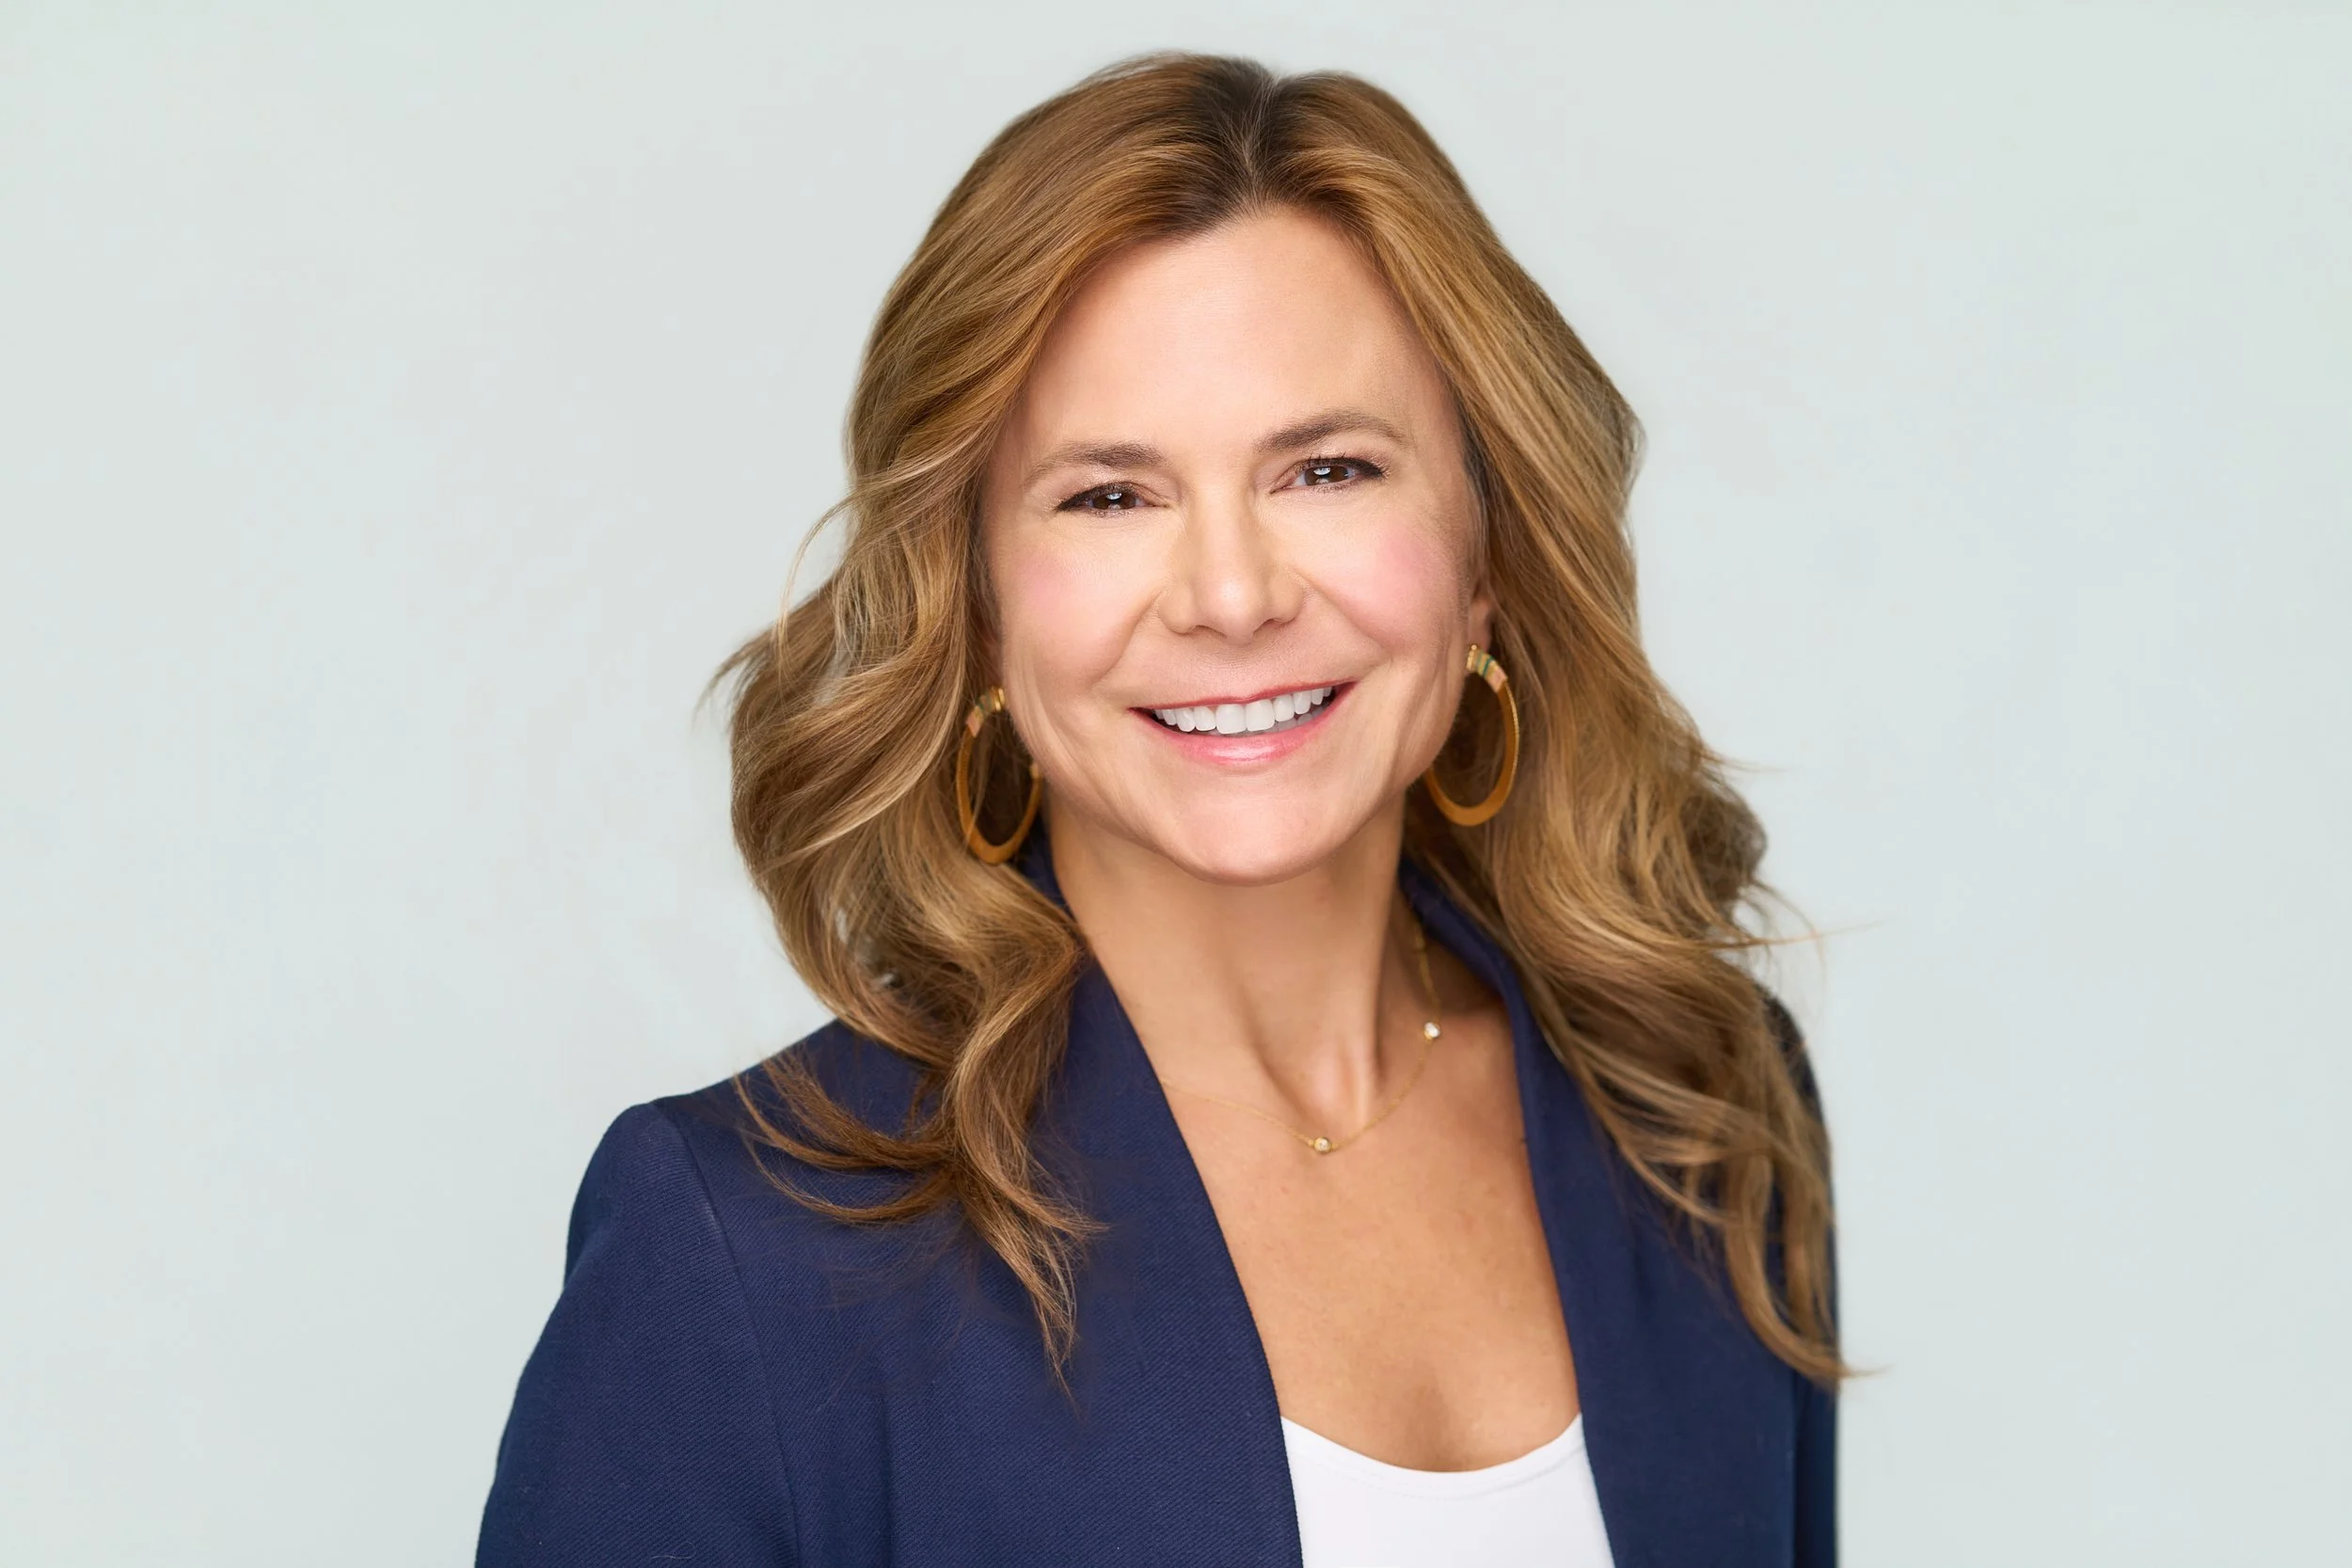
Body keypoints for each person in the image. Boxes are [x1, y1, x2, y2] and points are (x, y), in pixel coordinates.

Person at [477, 50, 1840, 1568]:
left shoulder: (1697, 1107)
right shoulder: (747, 1251)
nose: (1233, 596)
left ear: (1487, 566)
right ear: (978, 613)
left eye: (1327, 468)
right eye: (1110, 495)